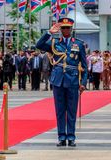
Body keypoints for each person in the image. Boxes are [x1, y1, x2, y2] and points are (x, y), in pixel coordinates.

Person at [36, 17, 88, 147]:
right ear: (60, 29)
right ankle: (61, 137)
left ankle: (71, 137)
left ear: (71, 29)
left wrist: (83, 83)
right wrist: (49, 33)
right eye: (63, 28)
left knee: (71, 110)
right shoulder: (54, 42)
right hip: (58, 80)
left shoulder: (79, 44)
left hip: (73, 80)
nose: (65, 30)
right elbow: (39, 45)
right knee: (60, 110)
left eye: (67, 28)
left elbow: (85, 66)